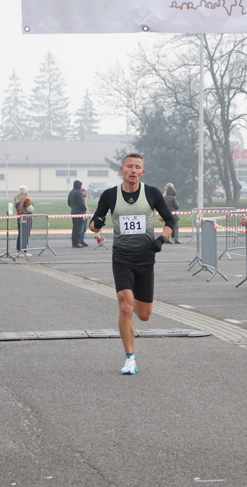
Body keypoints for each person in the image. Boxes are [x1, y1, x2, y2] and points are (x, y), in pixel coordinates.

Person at [88, 153, 175, 375]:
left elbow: (171, 220)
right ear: (122, 169)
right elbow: (93, 227)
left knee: (143, 315)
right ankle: (129, 358)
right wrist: (97, 223)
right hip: (122, 257)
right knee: (125, 307)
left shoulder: (152, 193)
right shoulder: (109, 195)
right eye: (129, 167)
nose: (133, 170)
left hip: (146, 257)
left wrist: (161, 239)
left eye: (137, 167)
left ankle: (133, 308)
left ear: (142, 172)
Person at [68, 179, 88, 247]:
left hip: (73, 211)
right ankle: (76, 242)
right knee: (79, 228)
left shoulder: (71, 192)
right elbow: (81, 203)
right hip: (79, 212)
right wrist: (84, 210)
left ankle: (74, 241)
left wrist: (73, 207)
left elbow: (69, 203)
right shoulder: (79, 192)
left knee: (74, 227)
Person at [14, 185, 34, 254]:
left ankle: (18, 250)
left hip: (19, 218)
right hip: (27, 219)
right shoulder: (27, 200)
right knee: (25, 235)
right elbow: (30, 210)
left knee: (20, 235)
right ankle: (24, 251)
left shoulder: (16, 199)